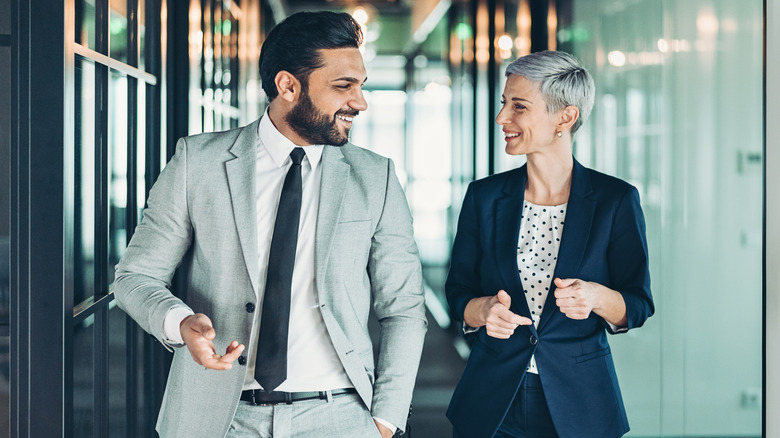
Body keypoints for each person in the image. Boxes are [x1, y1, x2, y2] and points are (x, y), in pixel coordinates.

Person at [115, 11, 427, 438]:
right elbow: (136, 276)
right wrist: (179, 322)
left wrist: (385, 419)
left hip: (340, 417)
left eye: (360, 85)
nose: (360, 101)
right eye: (343, 86)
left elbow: (404, 307)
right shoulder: (198, 162)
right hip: (217, 419)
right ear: (287, 86)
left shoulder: (376, 177)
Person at [445, 50, 654, 438]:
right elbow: (458, 294)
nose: (501, 118)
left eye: (518, 106)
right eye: (504, 103)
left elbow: (638, 304)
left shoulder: (615, 200)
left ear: (566, 117)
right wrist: (484, 309)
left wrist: (595, 296)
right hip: (491, 401)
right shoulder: (484, 198)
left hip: (582, 402)